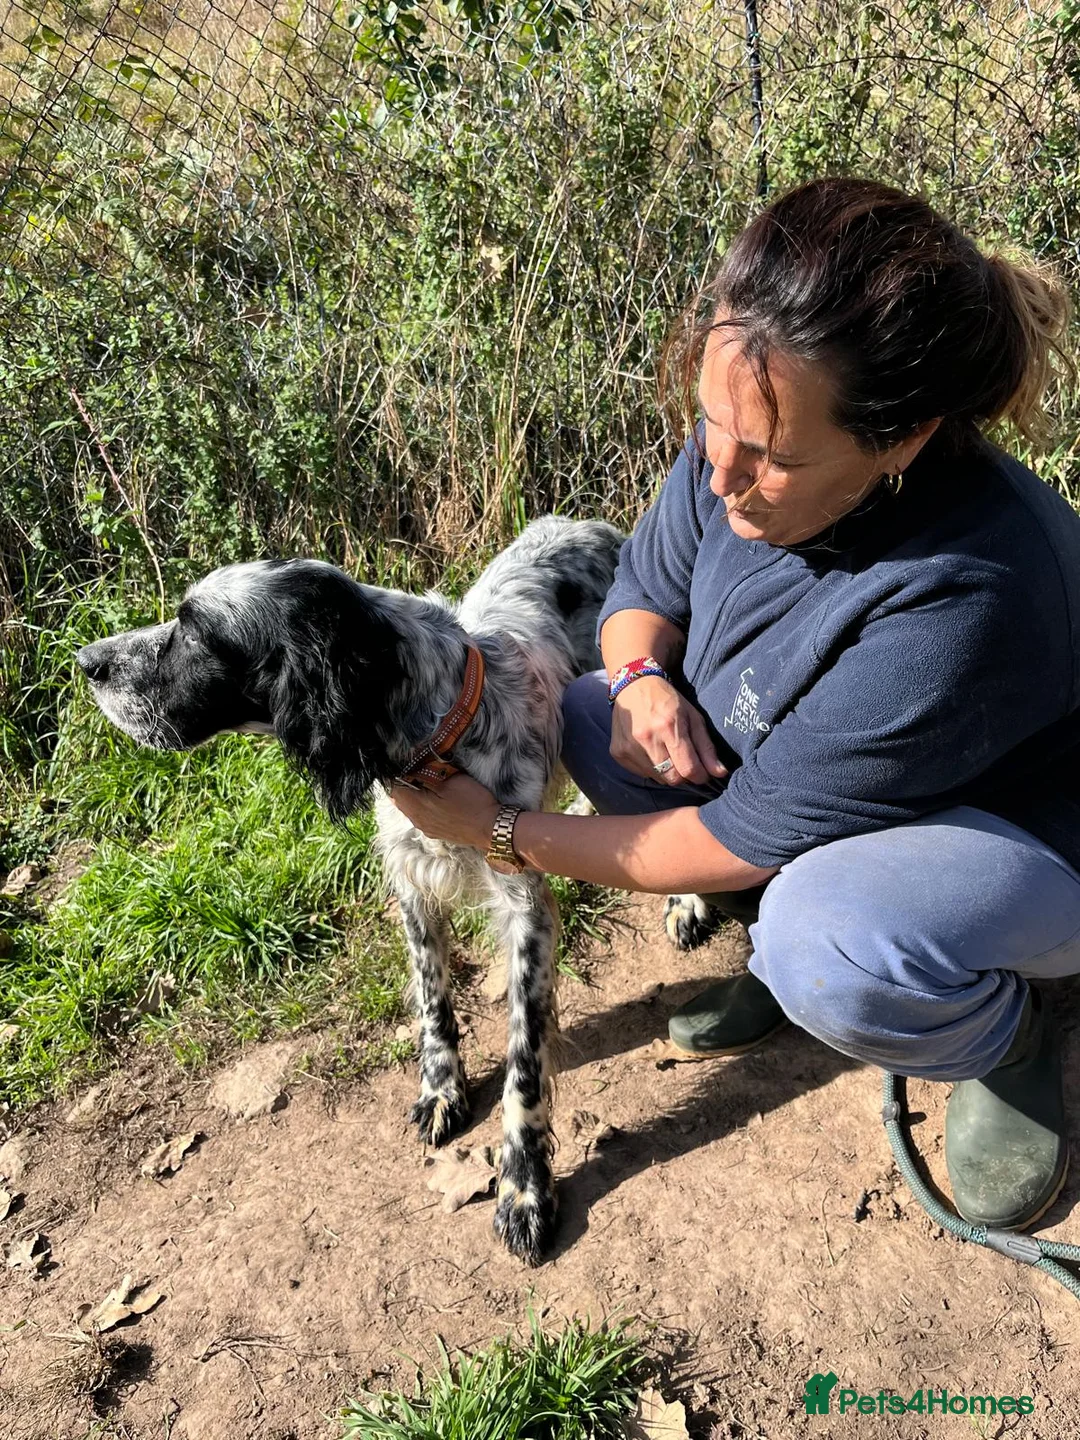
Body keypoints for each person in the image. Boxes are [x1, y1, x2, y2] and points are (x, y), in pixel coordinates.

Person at [391, 176, 1080, 1235]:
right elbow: (639, 599)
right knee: (587, 714)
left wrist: (496, 833)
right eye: (709, 425)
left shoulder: (964, 591)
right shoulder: (752, 414)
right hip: (838, 789)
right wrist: (640, 679)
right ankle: (805, 951)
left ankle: (1002, 1033)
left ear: (901, 442)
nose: (719, 473)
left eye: (769, 457)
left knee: (826, 942)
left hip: (1031, 836)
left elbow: (731, 838)